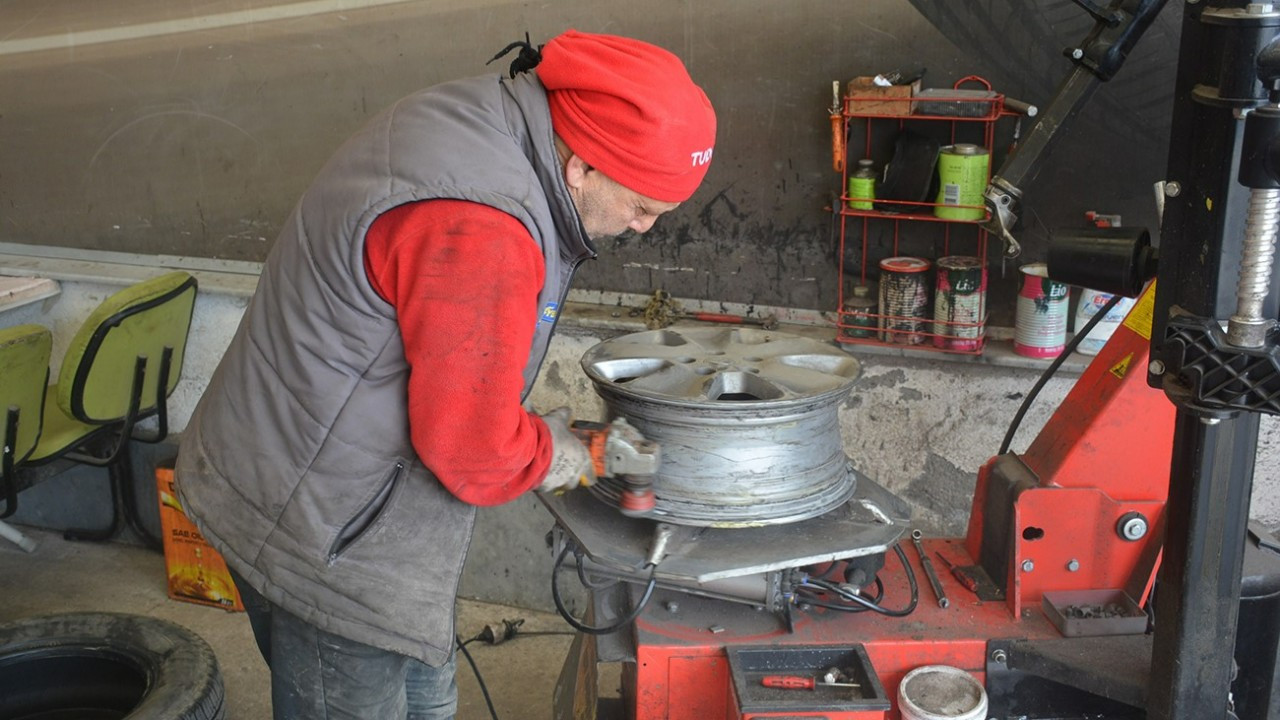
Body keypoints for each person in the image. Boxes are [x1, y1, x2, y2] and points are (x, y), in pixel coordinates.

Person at [175, 29, 716, 719]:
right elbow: (471, 452)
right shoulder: (484, 227)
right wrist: (572, 454)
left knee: (427, 699)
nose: (643, 227)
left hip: (288, 458)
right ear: (580, 164)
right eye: (642, 207)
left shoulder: (480, 117)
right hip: (321, 533)